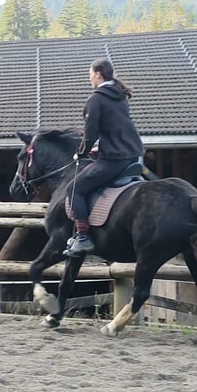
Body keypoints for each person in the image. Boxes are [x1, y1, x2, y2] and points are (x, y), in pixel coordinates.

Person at [64, 57, 145, 258]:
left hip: (114, 159)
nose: (89, 77)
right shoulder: (120, 96)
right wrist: (101, 147)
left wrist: (81, 152)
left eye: (90, 73)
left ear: (98, 74)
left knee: (74, 189)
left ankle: (83, 237)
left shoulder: (96, 99)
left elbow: (90, 134)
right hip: (133, 156)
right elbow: (116, 130)